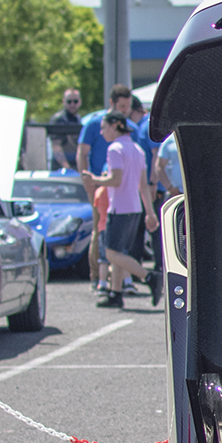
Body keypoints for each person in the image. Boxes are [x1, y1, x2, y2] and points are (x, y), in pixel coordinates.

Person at [80, 113, 160, 309]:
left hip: (119, 209)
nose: (101, 132)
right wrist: (149, 212)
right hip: (134, 209)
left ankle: (148, 277)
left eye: (104, 127)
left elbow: (115, 180)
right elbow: (143, 184)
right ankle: (116, 294)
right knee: (119, 252)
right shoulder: (137, 149)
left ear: (115, 126)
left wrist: (94, 180)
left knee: (111, 254)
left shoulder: (115, 149)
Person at [78, 85, 133, 291]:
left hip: (119, 189)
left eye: (128, 106)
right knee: (99, 231)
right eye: (122, 106)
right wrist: (88, 183)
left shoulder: (127, 127)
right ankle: (96, 277)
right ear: (112, 103)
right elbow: (82, 153)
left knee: (118, 238)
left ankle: (118, 281)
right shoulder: (95, 124)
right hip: (100, 185)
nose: (126, 110)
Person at [45, 88, 82, 171]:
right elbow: (56, 146)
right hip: (60, 170)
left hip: (75, 168)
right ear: (63, 102)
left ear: (80, 102)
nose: (72, 104)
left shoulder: (78, 119)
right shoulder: (58, 119)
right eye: (69, 101)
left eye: (75, 101)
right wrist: (67, 168)